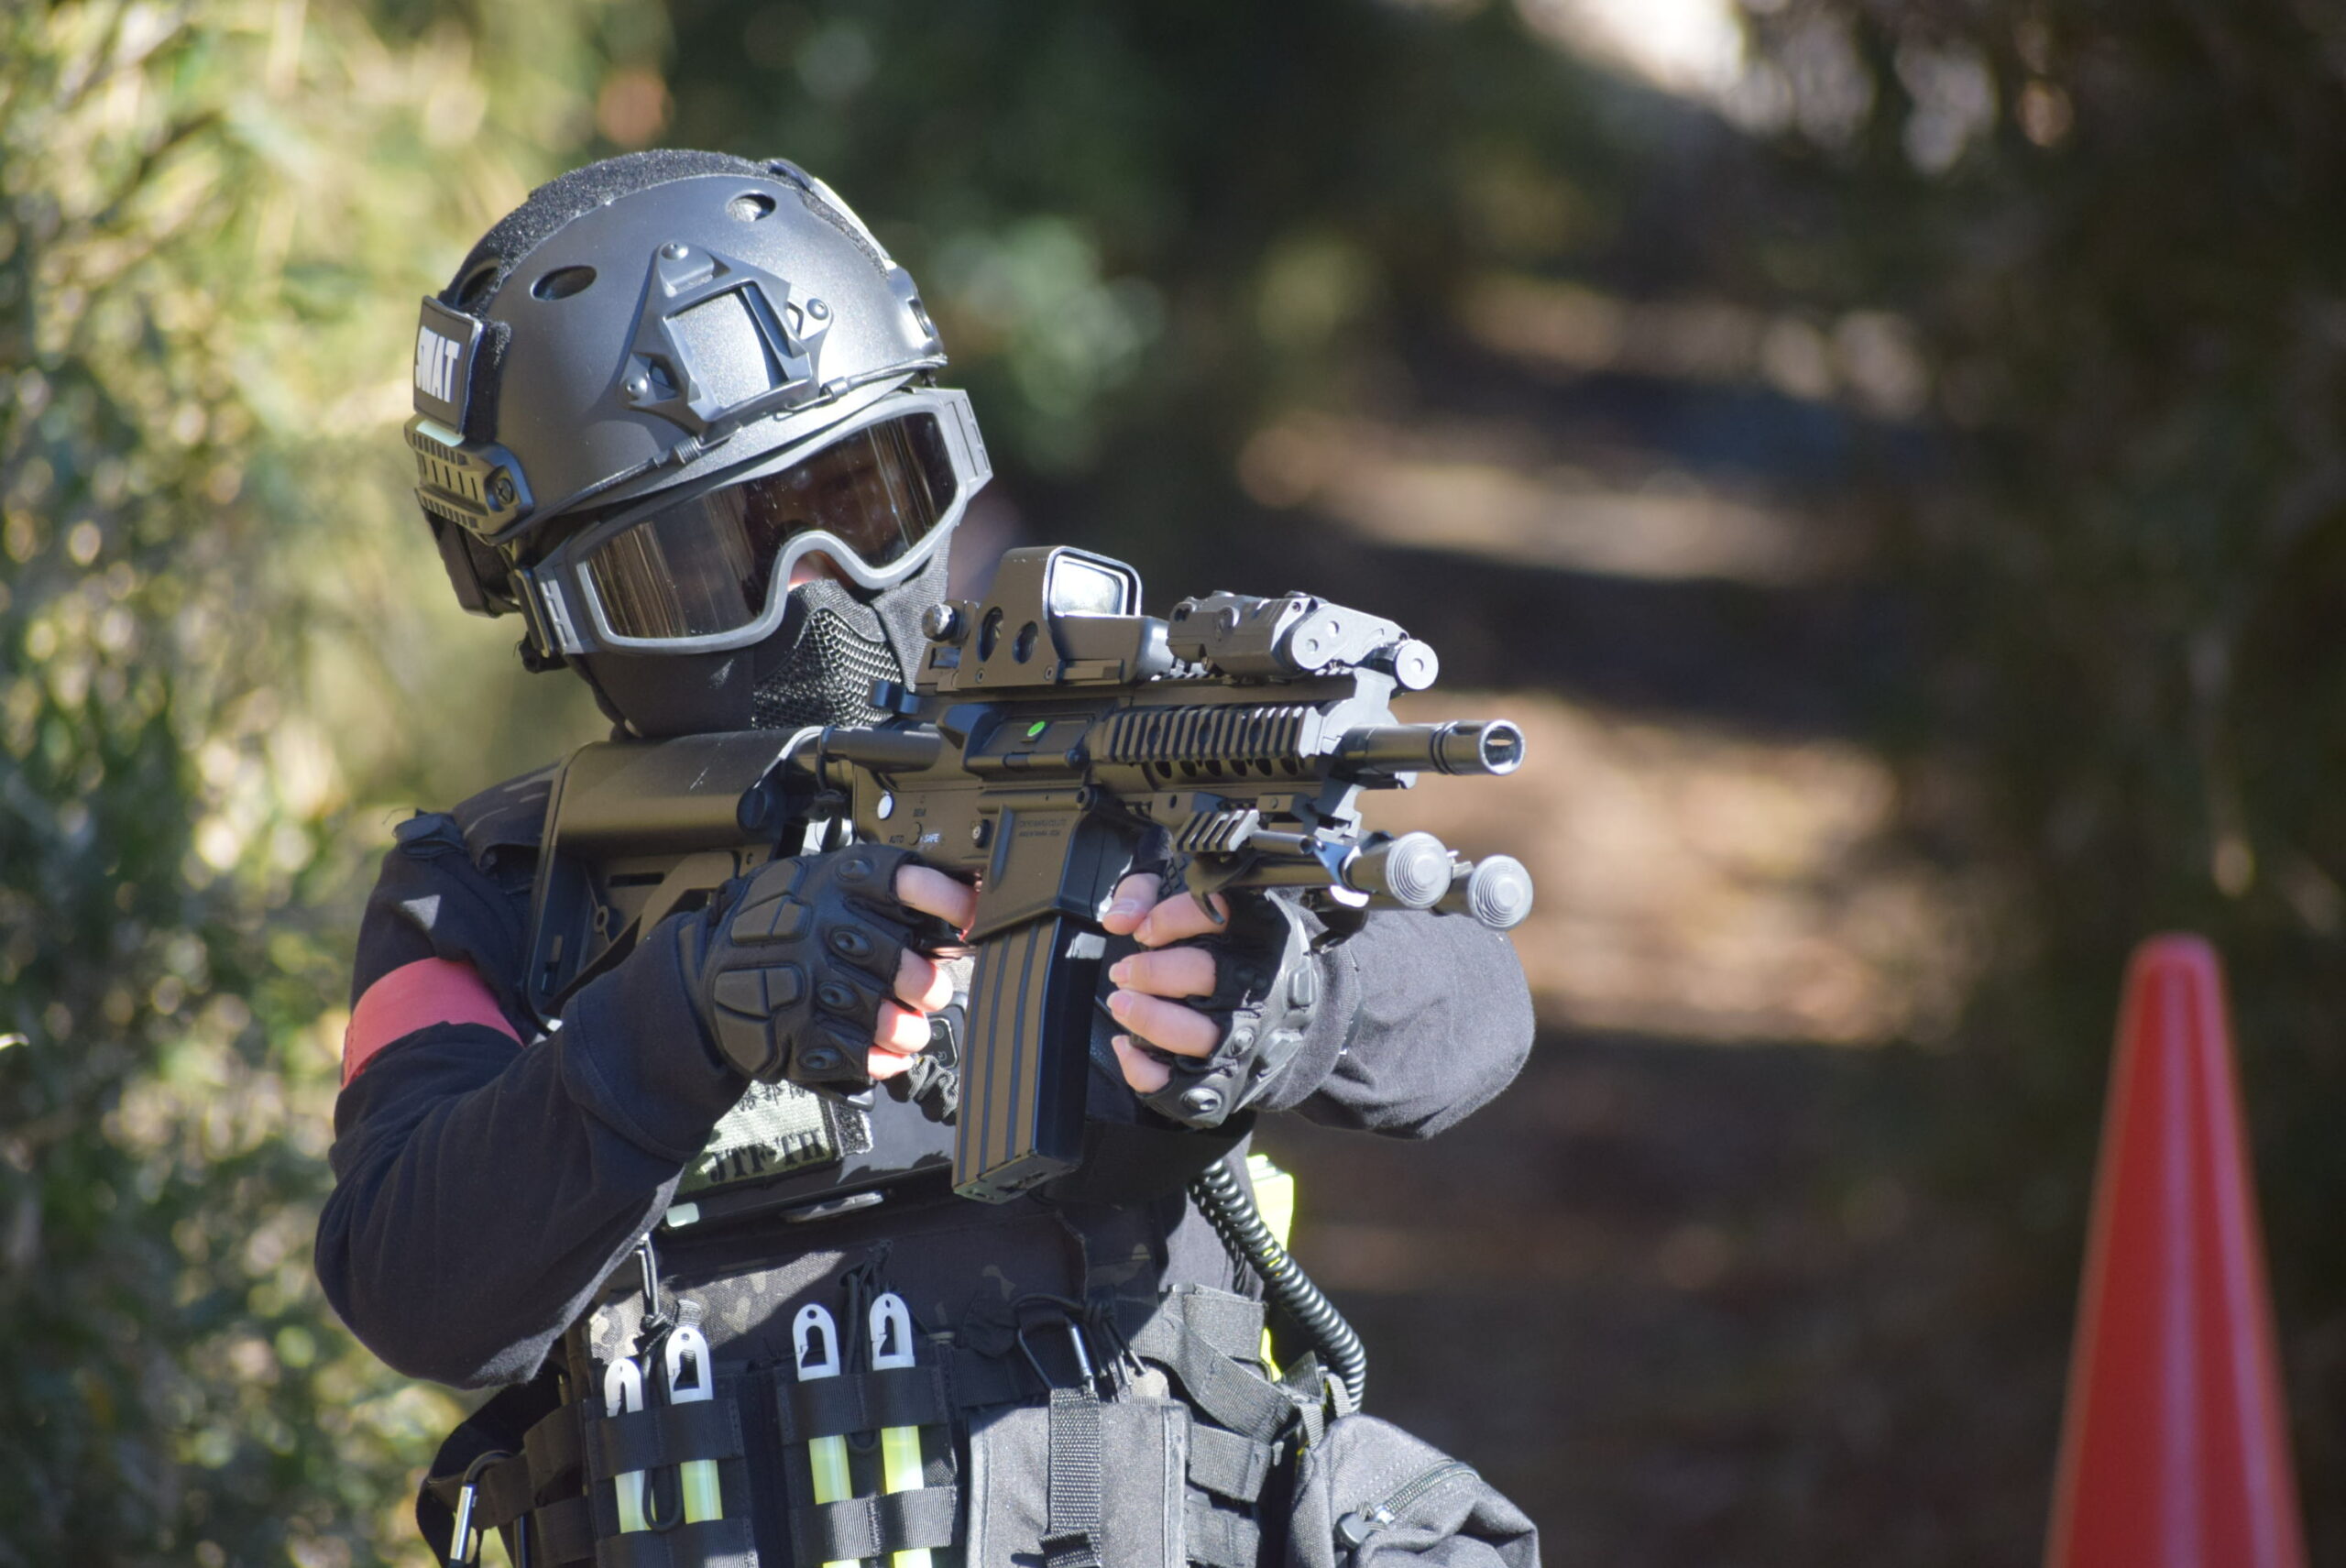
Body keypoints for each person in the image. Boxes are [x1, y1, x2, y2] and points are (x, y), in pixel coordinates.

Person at [317, 148, 1538, 1567]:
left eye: (865, 499)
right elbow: (415, 1288)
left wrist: (1293, 1003)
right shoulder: (488, 893)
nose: (820, 592)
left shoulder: (1109, 757)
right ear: (554, 600)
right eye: (709, 563)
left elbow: (1476, 1003)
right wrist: (685, 1016)